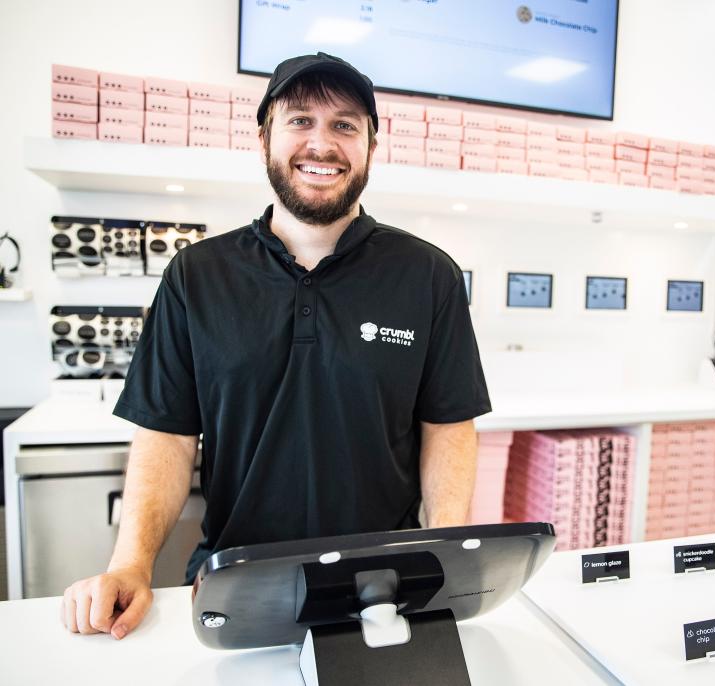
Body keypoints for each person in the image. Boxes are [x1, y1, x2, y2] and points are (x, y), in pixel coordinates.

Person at [60, 53, 490, 639]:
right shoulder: (197, 276)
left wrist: (442, 553)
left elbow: (449, 428)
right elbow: (166, 434)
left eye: (345, 125)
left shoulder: (428, 275)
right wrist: (130, 564)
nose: (322, 143)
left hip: (384, 590)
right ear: (264, 136)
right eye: (299, 121)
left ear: (370, 146)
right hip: (235, 584)